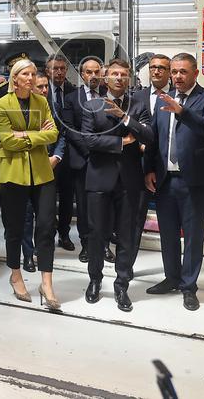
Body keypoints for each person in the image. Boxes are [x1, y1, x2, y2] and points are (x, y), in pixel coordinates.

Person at [145, 53, 204, 312]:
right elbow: (154, 137)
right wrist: (148, 169)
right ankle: (172, 278)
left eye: (183, 72)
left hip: (195, 181)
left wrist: (182, 112)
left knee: (193, 236)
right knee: (167, 234)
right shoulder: (163, 99)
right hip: (165, 180)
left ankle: (189, 287)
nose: (177, 76)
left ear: (195, 73)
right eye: (174, 71)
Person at [80, 58, 153, 311]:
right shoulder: (92, 105)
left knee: (127, 235)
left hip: (129, 181)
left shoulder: (138, 105)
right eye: (114, 74)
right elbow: (89, 140)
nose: (119, 78)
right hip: (99, 178)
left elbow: (148, 136)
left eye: (123, 74)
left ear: (129, 78)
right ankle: (94, 280)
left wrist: (124, 117)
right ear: (105, 78)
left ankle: (122, 284)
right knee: (96, 233)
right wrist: (122, 143)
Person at [0, 59, 61, 311]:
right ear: (15, 78)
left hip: (42, 173)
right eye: (25, 74)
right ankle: (15, 275)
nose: (31, 78)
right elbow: (7, 141)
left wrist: (24, 135)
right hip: (13, 173)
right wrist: (36, 135)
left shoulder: (41, 102)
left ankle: (47, 283)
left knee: (46, 226)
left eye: (33, 74)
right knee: (14, 227)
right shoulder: (2, 104)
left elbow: (53, 133)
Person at [61, 56, 109, 263]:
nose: (93, 75)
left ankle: (104, 245)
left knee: (106, 205)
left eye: (97, 71)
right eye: (89, 72)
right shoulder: (72, 98)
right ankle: (87, 244)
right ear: (82, 74)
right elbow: (70, 128)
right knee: (83, 205)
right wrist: (90, 150)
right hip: (82, 160)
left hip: (107, 160)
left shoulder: (109, 95)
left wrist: (102, 149)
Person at [22, 72, 66, 272]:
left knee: (46, 217)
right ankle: (27, 254)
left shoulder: (53, 107)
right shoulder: (22, 110)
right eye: (40, 87)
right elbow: (20, 139)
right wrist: (40, 135)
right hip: (26, 168)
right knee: (26, 215)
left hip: (49, 167)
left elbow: (61, 135)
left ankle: (43, 251)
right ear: (30, 88)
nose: (44, 90)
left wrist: (57, 156)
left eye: (46, 86)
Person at [129, 54, 171, 253]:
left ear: (169, 72)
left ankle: (171, 265)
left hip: (169, 166)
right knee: (136, 217)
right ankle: (128, 263)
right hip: (141, 165)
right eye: (153, 67)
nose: (156, 71)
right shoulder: (137, 97)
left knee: (170, 219)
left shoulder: (178, 97)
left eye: (162, 67)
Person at [45, 54, 76, 251]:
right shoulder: (40, 90)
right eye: (55, 68)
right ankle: (46, 235)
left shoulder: (74, 92)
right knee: (45, 199)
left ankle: (64, 234)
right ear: (47, 71)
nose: (59, 72)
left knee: (67, 197)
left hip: (69, 155)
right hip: (45, 154)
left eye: (62, 68)